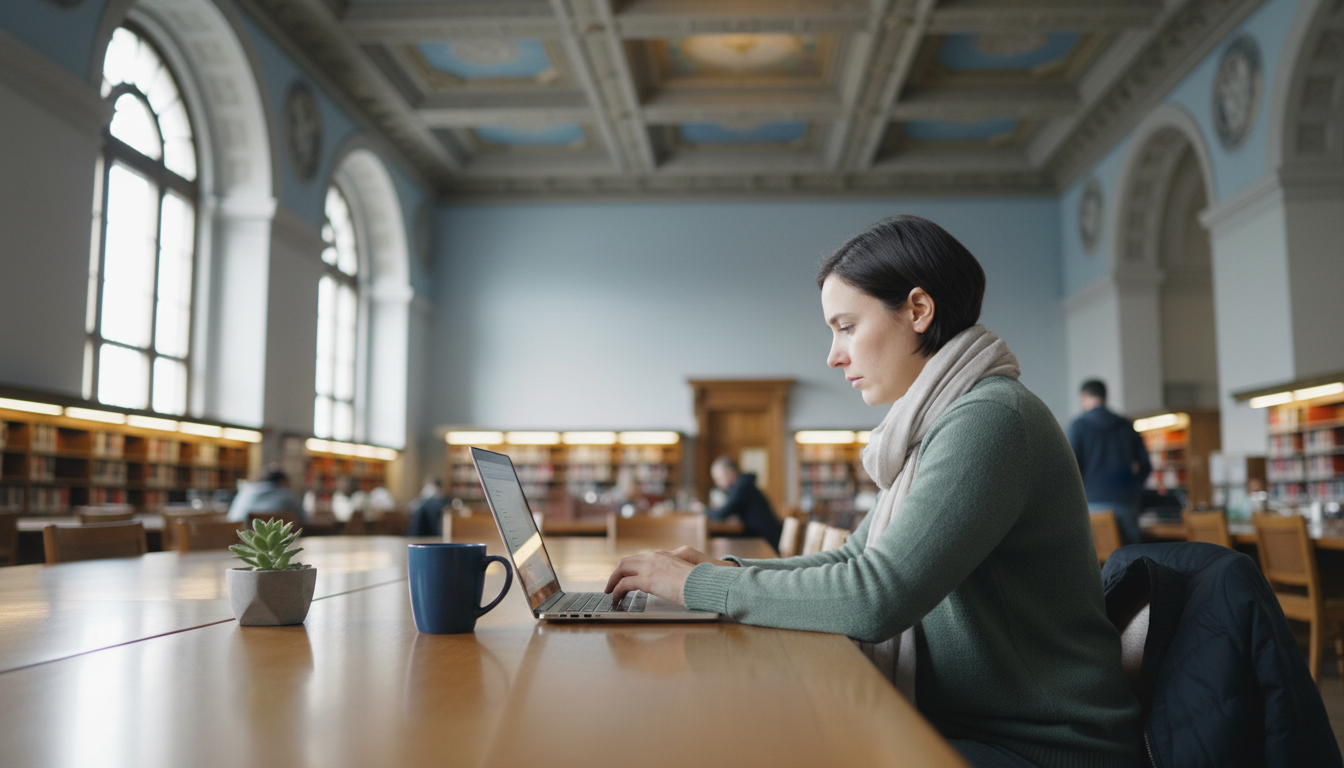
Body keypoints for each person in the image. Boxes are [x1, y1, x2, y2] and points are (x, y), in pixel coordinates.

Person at [604, 216, 1140, 768]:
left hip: (1043, 746)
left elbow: (875, 597)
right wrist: (725, 573)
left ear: (917, 310)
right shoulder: (941, 423)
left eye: (845, 327)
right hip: (975, 725)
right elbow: (857, 557)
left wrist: (701, 586)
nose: (834, 355)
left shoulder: (991, 419)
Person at [1067, 379, 1152, 546]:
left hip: (1092, 504)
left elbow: (1071, 468)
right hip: (1126, 502)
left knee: (1098, 560)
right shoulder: (1126, 425)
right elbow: (1146, 465)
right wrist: (1135, 486)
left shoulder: (1078, 426)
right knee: (1131, 560)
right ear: (1105, 396)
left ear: (1083, 397)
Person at [692, 456, 783, 550]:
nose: (717, 483)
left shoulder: (742, 487)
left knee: (715, 538)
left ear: (731, 473)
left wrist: (702, 510)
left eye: (719, 478)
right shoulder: (743, 484)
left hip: (764, 541)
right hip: (758, 536)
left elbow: (722, 514)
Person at [226, 466, 304, 523]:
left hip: (237, 538)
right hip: (278, 542)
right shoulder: (285, 494)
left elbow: (231, 518)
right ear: (282, 482)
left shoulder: (245, 492)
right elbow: (303, 518)